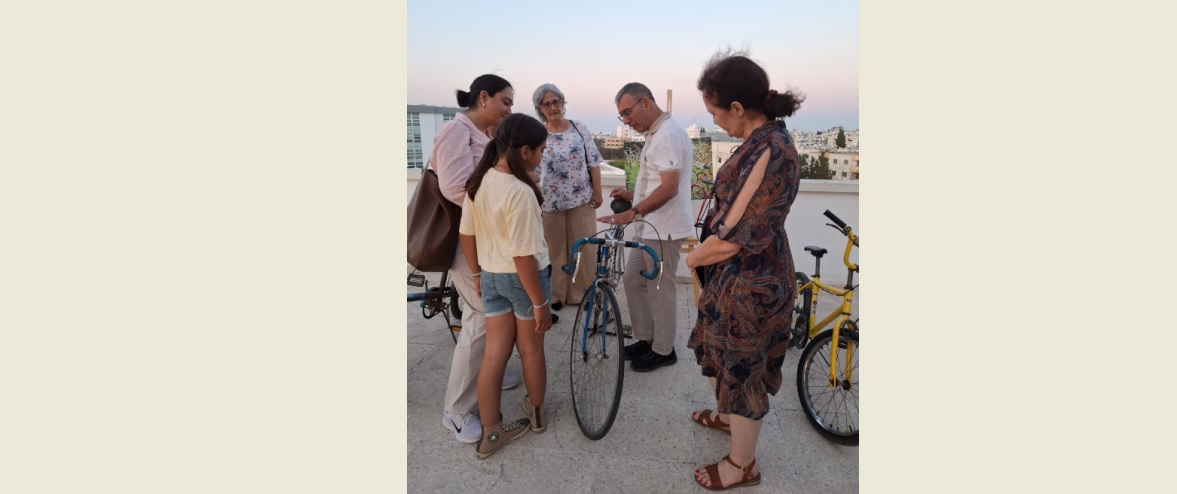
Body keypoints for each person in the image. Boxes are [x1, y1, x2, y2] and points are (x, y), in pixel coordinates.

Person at [684, 52, 804, 490]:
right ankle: (727, 418)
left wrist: (694, 259)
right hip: (738, 276)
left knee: (742, 369)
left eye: (715, 113)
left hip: (750, 283)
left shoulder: (770, 150)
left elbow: (735, 236)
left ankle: (742, 464)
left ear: (737, 107)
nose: (715, 122)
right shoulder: (765, 139)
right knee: (720, 354)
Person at [432, 74, 523, 444]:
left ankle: (490, 371)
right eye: (505, 101)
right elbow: (455, 187)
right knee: (482, 318)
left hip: (486, 238)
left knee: (493, 312)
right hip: (463, 238)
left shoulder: (483, 134)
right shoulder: (456, 132)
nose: (509, 109)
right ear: (483, 97)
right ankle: (455, 410)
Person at [458, 113, 554, 458]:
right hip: (523, 280)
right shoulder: (519, 192)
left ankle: (491, 432)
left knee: (494, 354)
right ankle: (537, 414)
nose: (542, 157)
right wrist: (540, 303)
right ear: (525, 151)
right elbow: (523, 256)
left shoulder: (479, 181)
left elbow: (466, 233)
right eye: (541, 151)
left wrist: (477, 274)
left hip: (491, 276)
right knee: (531, 350)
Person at [597, 83, 694, 373]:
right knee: (633, 280)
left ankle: (664, 350)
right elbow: (655, 182)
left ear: (646, 103)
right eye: (622, 116)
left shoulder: (667, 134)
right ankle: (647, 338)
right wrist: (632, 196)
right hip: (650, 227)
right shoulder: (657, 133)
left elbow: (670, 187)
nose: (626, 120)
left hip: (663, 229)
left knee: (660, 289)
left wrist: (633, 212)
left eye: (627, 112)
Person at [532, 83, 604, 313]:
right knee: (554, 251)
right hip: (549, 203)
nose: (553, 107)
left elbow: (593, 162)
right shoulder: (537, 133)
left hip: (581, 199)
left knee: (584, 248)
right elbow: (532, 167)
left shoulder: (578, 128)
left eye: (556, 101)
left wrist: (598, 192)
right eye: (547, 104)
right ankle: (557, 295)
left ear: (562, 103)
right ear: (540, 109)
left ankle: (583, 293)